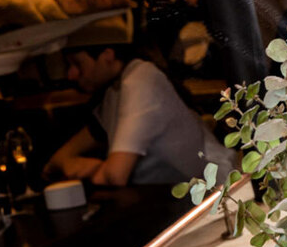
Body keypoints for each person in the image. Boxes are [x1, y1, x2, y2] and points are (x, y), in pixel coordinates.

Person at [45, 43, 231, 187]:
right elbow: (55, 161)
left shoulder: (141, 79)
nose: (71, 74)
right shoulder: (112, 93)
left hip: (217, 196)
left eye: (77, 64)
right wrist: (71, 164)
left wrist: (84, 167)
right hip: (176, 202)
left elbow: (114, 175)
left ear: (107, 56)